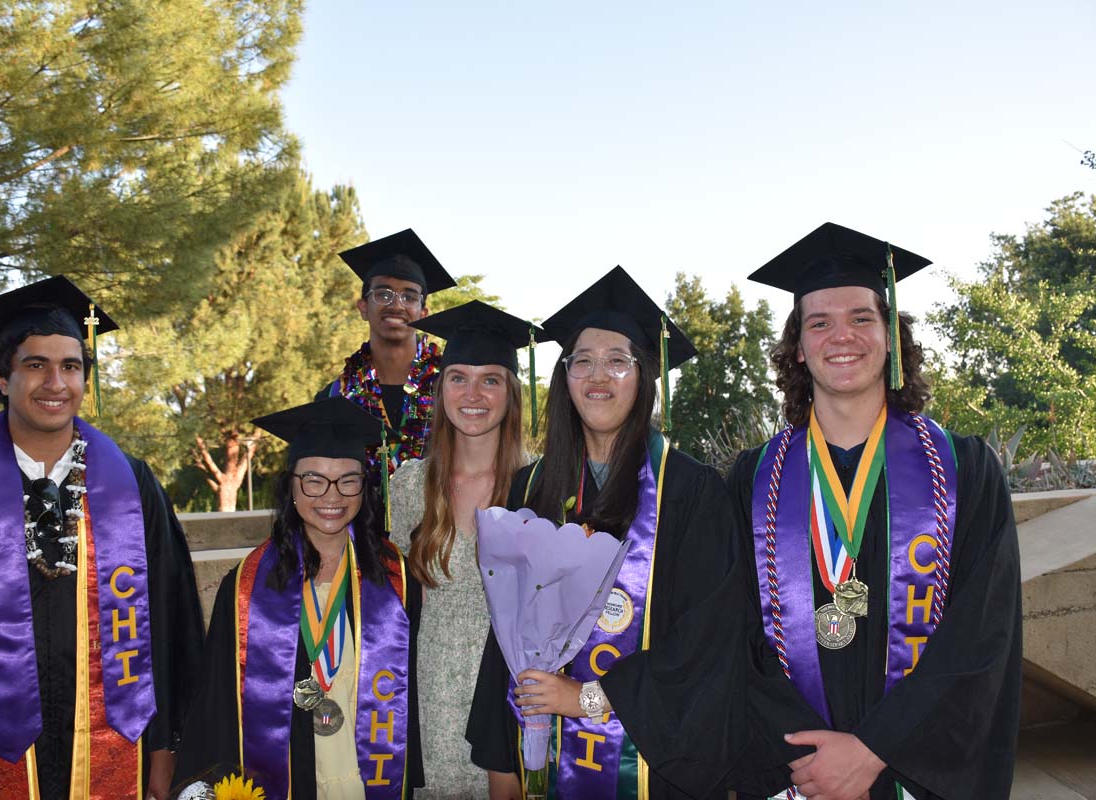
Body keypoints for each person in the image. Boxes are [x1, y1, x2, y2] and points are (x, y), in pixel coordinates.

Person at [725, 222, 1022, 799]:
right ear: (799, 346)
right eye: (820, 322)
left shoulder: (963, 471)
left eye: (862, 317)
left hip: (918, 770)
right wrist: (818, 762)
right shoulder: (751, 480)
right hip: (796, 774)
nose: (843, 336)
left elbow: (983, 633)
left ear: (892, 335)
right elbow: (732, 639)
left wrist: (872, 752)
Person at [467, 267, 742, 799]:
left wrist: (590, 699)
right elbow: (504, 642)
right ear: (564, 378)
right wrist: (503, 765)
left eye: (618, 361)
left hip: (654, 769)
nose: (598, 376)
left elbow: (711, 642)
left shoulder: (693, 492)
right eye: (582, 362)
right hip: (541, 759)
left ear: (644, 378)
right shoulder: (528, 490)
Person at [0, 276, 204, 800]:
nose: (55, 383)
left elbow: (171, 625)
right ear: (0, 377)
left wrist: (165, 754)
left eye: (71, 366)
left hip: (116, 750)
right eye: (35, 365)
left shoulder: (132, 484)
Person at [175, 398, 423, 800]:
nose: (331, 494)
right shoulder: (245, 587)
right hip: (287, 778)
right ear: (290, 484)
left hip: (371, 773)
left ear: (365, 486)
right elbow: (216, 703)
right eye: (313, 479)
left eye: (348, 479)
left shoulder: (397, 579)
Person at [388, 301, 539, 798]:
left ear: (511, 393)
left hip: (513, 699)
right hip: (425, 698)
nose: (472, 394)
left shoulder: (540, 485)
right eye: (458, 377)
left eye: (491, 379)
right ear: (440, 390)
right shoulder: (410, 487)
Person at [316, 229, 457, 483]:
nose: (396, 305)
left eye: (409, 296)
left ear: (423, 313)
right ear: (363, 308)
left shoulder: (451, 390)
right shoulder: (335, 397)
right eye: (383, 294)